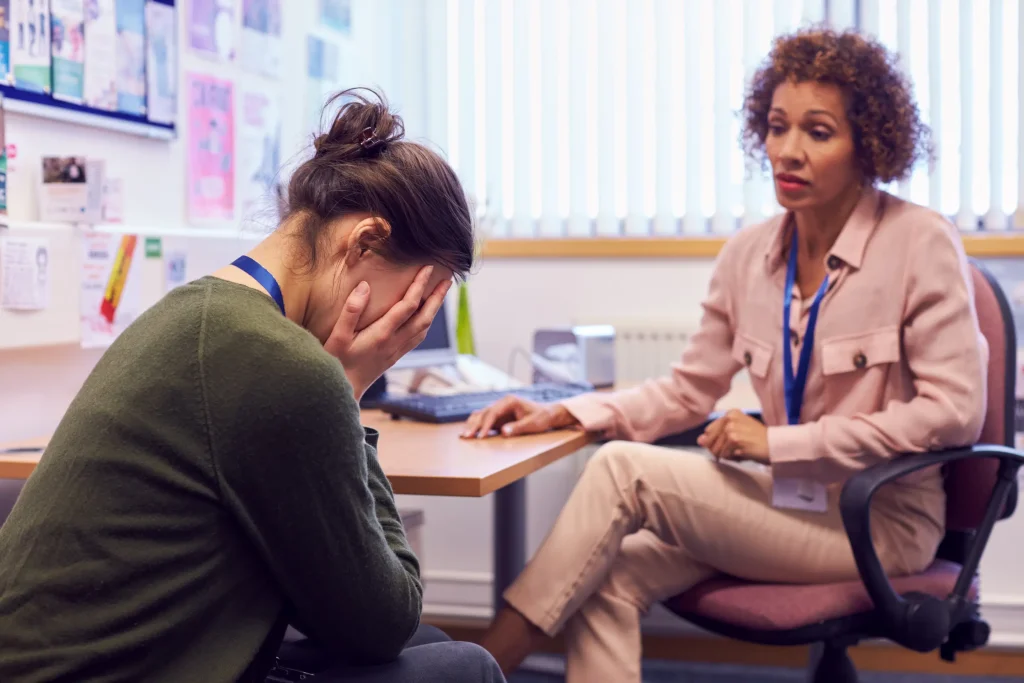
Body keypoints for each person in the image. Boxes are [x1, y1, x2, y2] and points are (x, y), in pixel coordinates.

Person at [462, 28, 987, 682]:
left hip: (879, 522)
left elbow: (954, 412)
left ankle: (482, 665)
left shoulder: (920, 242)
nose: (787, 151)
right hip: (784, 503)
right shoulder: (748, 255)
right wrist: (565, 411)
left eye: (818, 132)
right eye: (776, 127)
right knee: (607, 571)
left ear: (868, 145)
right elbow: (688, 391)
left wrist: (780, 445)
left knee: (624, 471)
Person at [0, 88, 504, 683]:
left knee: (430, 642)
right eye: (414, 297)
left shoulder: (196, 313)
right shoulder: (284, 367)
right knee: (464, 666)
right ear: (363, 243)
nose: (410, 327)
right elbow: (383, 620)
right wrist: (349, 389)